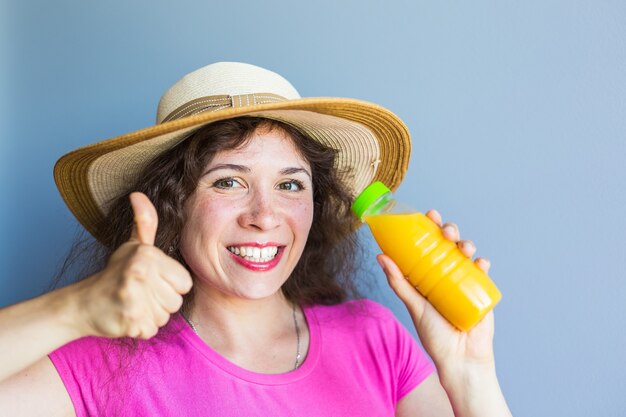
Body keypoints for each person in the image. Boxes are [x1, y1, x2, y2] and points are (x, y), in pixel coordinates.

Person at [0, 62, 512, 416]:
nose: (266, 216)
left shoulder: (375, 339)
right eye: (228, 181)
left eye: (290, 184)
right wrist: (77, 307)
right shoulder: (105, 364)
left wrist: (470, 372)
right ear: (171, 206)